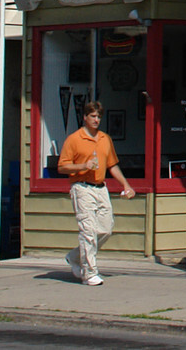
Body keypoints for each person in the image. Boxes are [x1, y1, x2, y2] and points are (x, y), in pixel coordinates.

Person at [57, 99, 135, 284]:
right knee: (88, 231)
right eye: (92, 116)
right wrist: (83, 165)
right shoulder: (74, 139)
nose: (96, 120)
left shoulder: (104, 139)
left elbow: (112, 165)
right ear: (84, 117)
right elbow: (62, 167)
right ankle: (89, 273)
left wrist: (126, 185)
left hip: (101, 188)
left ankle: (75, 256)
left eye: (98, 117)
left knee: (106, 229)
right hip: (82, 187)